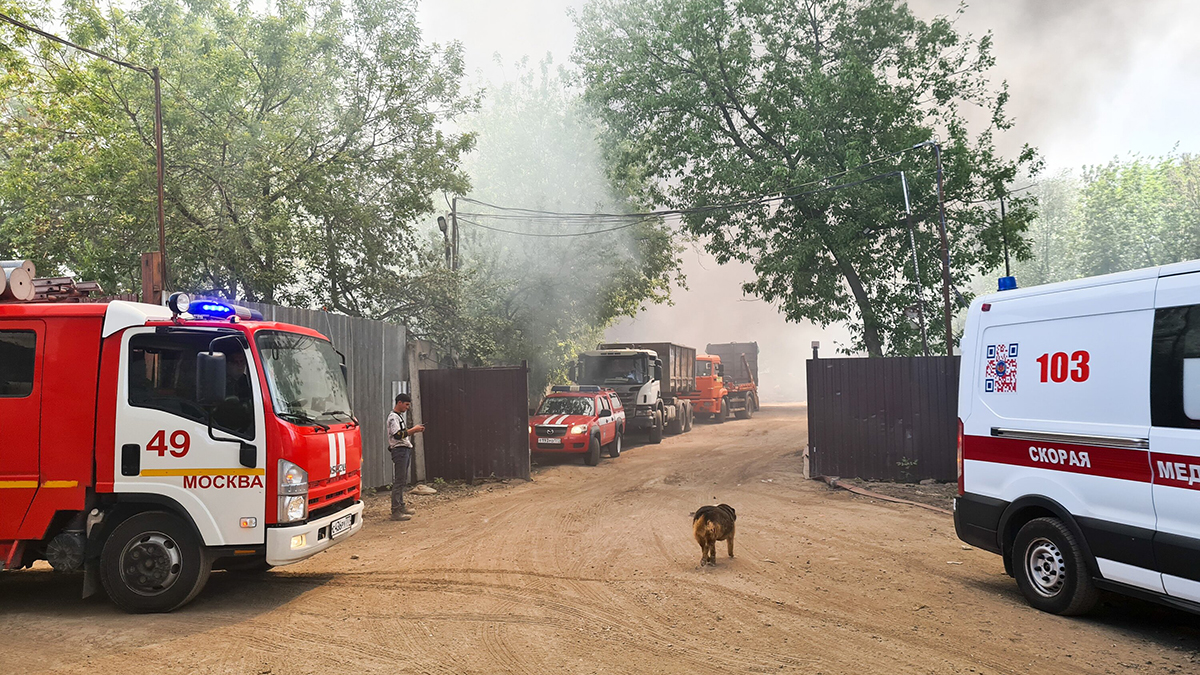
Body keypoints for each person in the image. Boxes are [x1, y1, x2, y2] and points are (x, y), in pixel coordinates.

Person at [387, 393, 425, 521]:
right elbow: (398, 435)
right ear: (399, 403)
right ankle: (396, 510)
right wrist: (413, 430)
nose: (407, 407)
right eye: (406, 404)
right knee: (399, 481)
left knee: (402, 480)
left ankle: (401, 506)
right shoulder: (393, 418)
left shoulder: (398, 417)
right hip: (400, 450)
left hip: (404, 450)